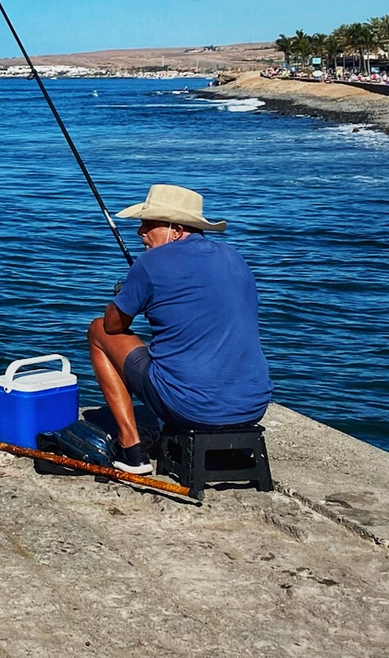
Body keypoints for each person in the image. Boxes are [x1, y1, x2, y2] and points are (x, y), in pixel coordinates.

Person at [86, 184, 273, 474]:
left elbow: (113, 325)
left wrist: (125, 293)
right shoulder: (234, 257)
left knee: (97, 330)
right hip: (253, 404)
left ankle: (131, 450)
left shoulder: (150, 263)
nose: (141, 233)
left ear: (176, 229)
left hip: (191, 408)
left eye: (148, 224)